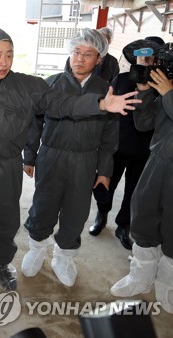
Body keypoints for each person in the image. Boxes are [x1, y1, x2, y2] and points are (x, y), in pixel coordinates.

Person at [0, 27, 140, 296]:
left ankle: (1, 263)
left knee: (6, 221)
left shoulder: (27, 86)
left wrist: (101, 105)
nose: (4, 62)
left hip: (8, 167)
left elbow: (61, 103)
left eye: (9, 55)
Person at [21, 28, 119, 287]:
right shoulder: (51, 84)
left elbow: (110, 136)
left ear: (99, 59)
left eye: (88, 54)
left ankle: (63, 257)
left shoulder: (105, 91)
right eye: (77, 51)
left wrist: (105, 171)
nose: (80, 58)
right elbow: (35, 124)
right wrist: (29, 156)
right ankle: (36, 249)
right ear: (70, 52)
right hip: (51, 155)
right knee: (43, 205)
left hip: (85, 160)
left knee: (76, 212)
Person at [88, 37, 163, 250]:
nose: (144, 62)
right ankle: (101, 215)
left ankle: (123, 226)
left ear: (156, 61)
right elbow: (107, 110)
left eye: (149, 59)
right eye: (141, 58)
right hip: (117, 143)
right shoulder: (120, 79)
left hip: (144, 148)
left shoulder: (162, 85)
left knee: (133, 190)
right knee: (105, 183)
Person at [110, 67, 173, 314]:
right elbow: (145, 123)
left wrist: (168, 94)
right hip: (157, 161)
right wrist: (146, 93)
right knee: (143, 218)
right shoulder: (168, 90)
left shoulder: (169, 92)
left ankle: (168, 283)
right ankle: (141, 277)